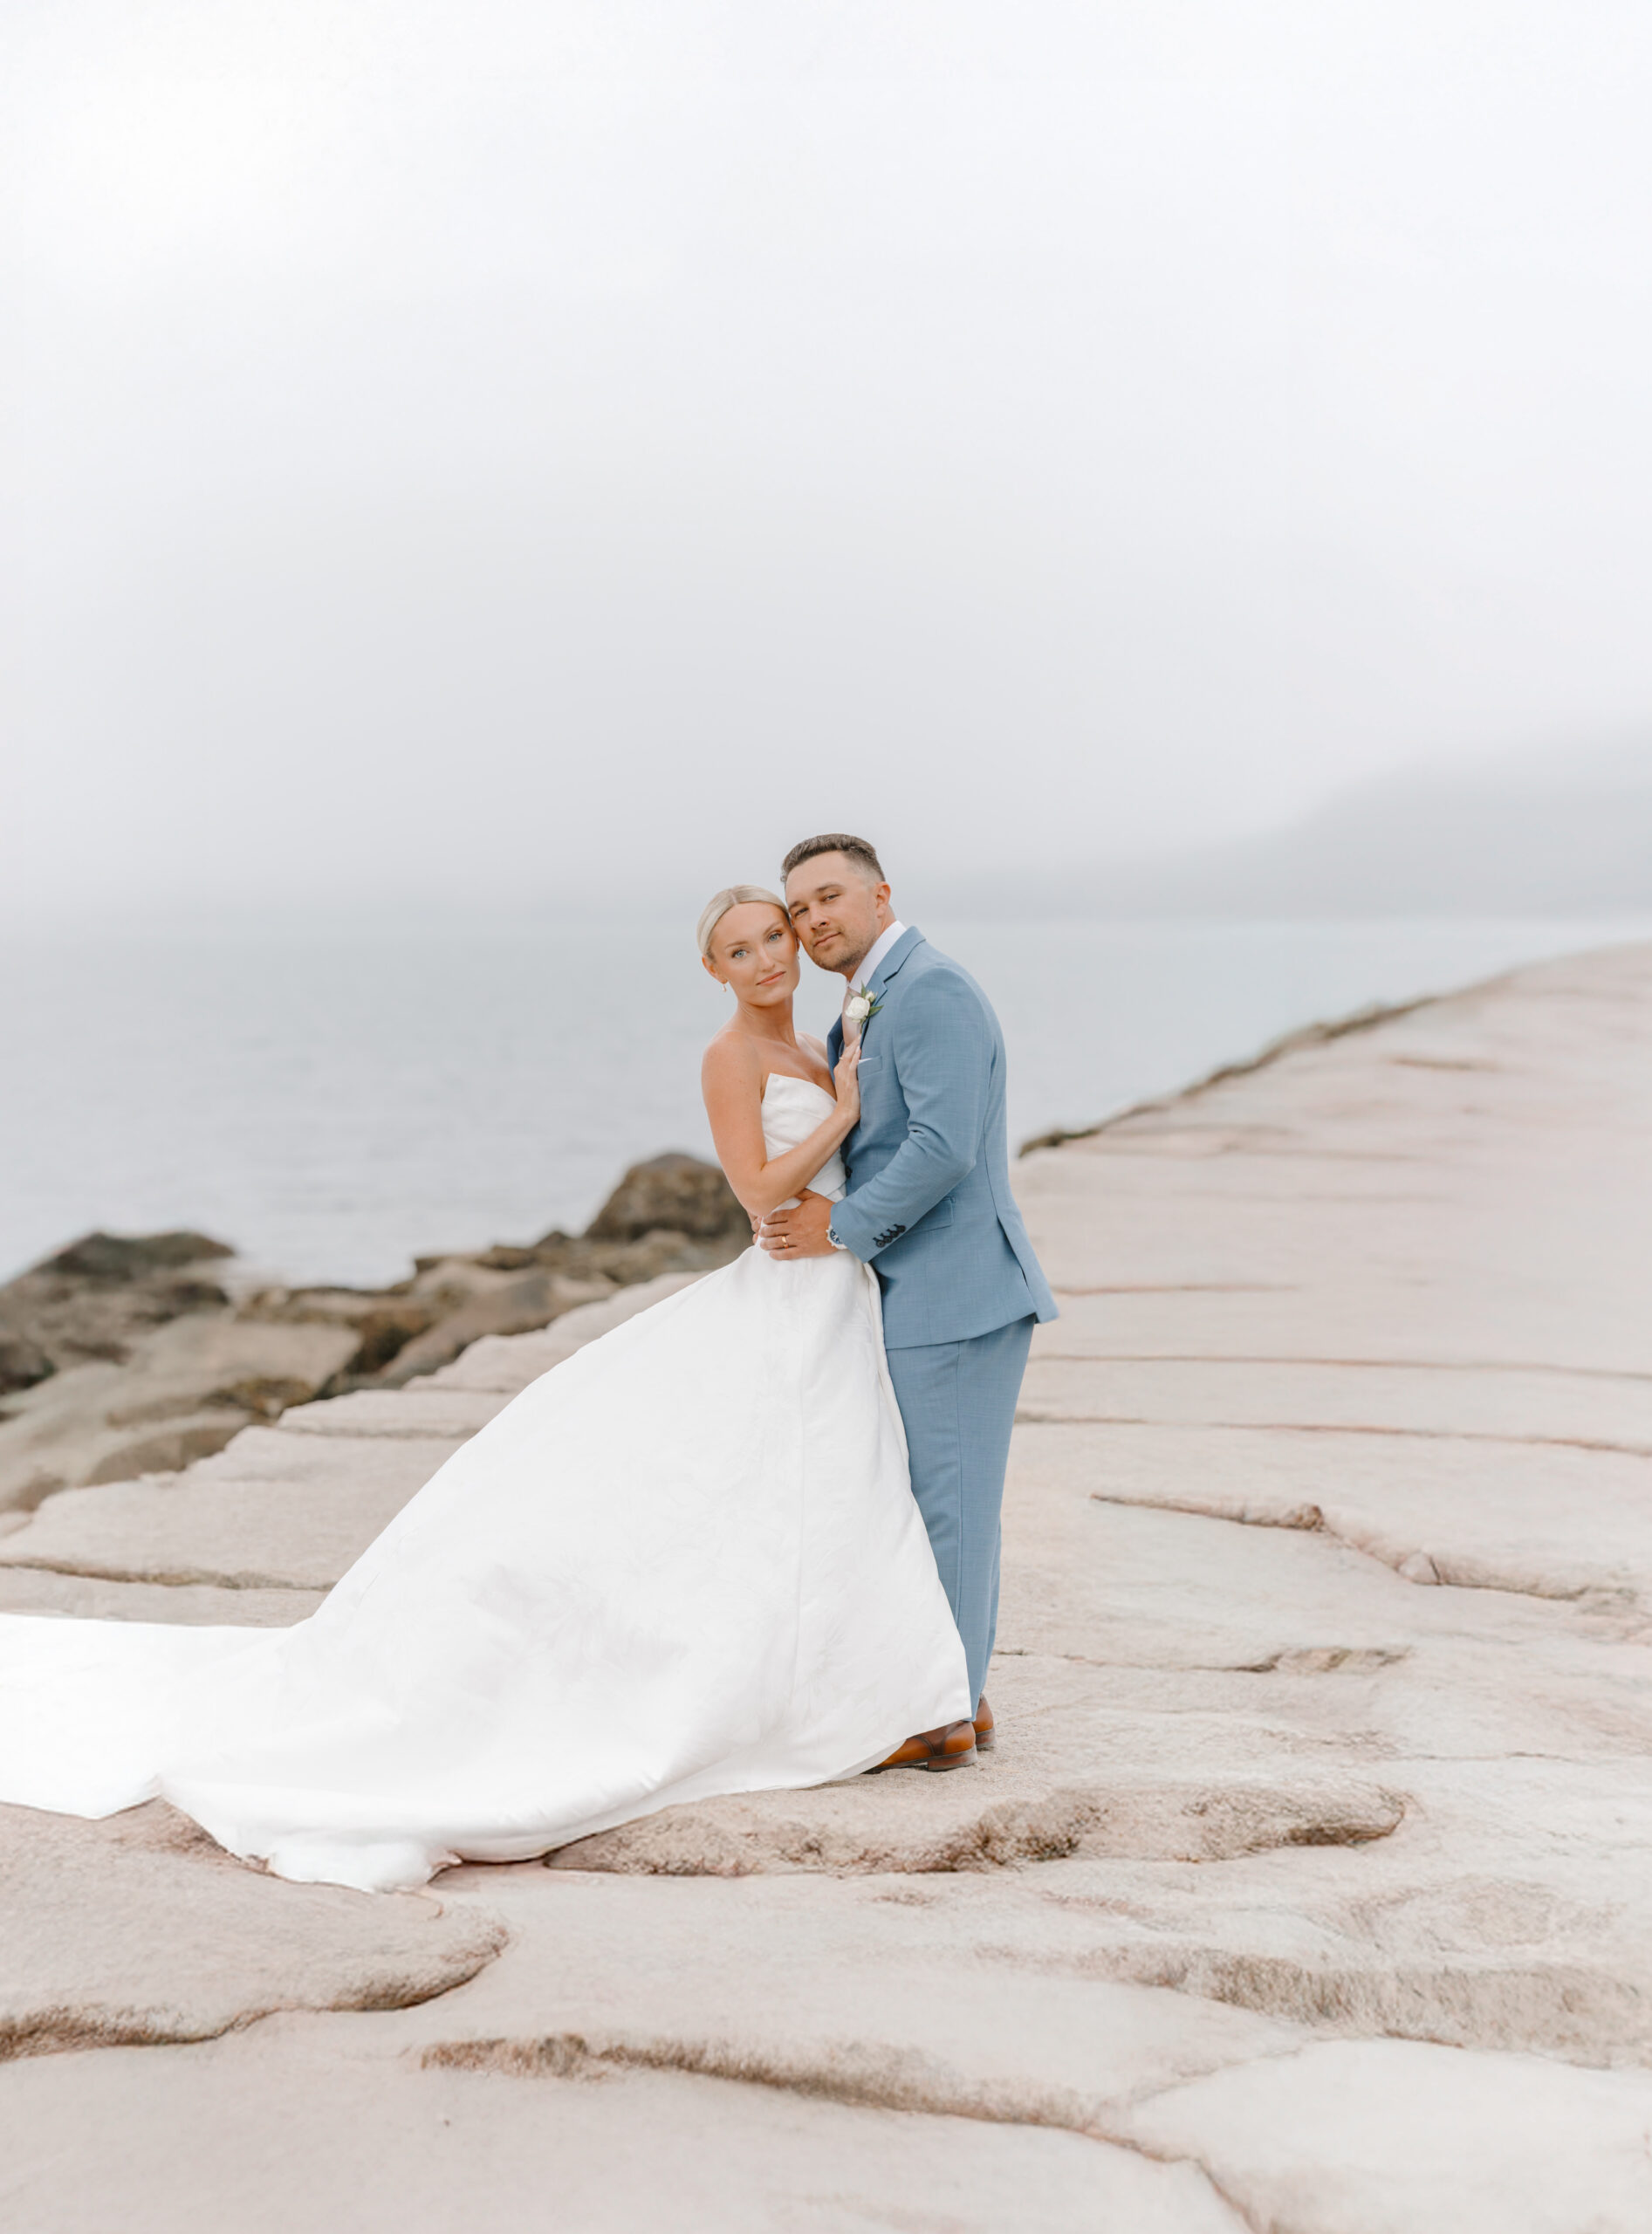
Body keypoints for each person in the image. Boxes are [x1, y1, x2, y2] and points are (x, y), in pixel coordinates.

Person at [0, 887, 970, 1894]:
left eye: (774, 936)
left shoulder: (819, 1044)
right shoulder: (730, 1057)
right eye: (740, 948)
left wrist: (850, 1119)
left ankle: (873, 1693)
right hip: (783, 1286)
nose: (767, 956)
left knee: (823, 1493)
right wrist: (849, 1114)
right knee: (752, 1491)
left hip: (830, 1292)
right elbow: (757, 1192)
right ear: (714, 970)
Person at [760, 836, 1057, 1770]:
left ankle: (942, 1716)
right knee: (936, 1499)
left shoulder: (930, 990)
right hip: (923, 1289)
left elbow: (942, 1145)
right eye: (799, 907)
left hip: (959, 1291)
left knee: (953, 1507)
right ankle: (957, 1690)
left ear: (882, 895)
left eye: (830, 897)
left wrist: (840, 1227)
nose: (813, 920)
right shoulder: (875, 997)